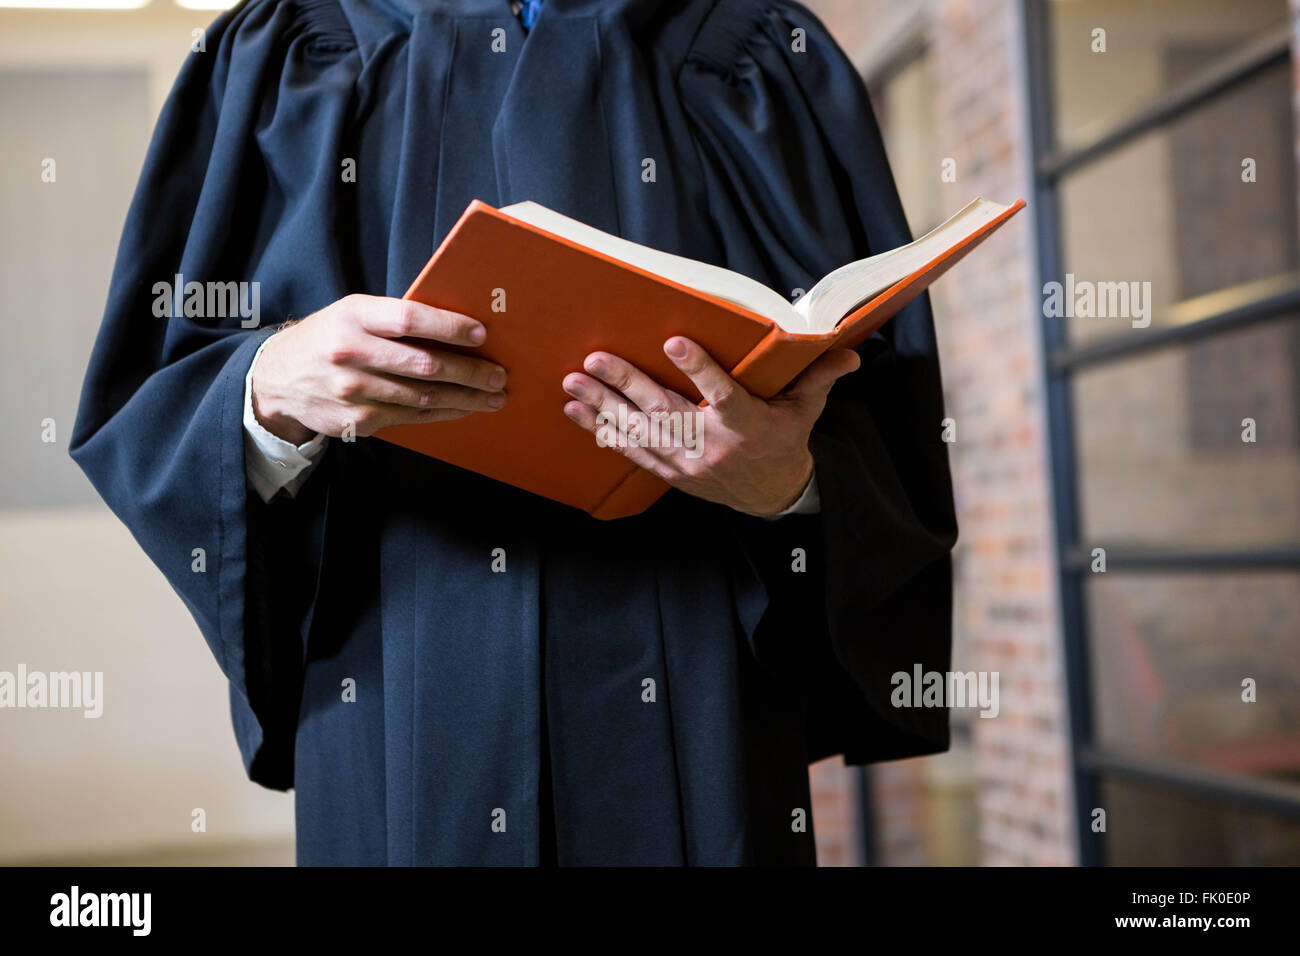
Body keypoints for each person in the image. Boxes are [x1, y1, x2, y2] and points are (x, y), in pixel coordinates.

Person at [71, 0, 958, 865]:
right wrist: (271, 388)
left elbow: (885, 431)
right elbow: (153, 415)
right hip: (395, 707)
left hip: (701, 707)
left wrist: (791, 487)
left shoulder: (751, 53)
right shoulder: (285, 54)